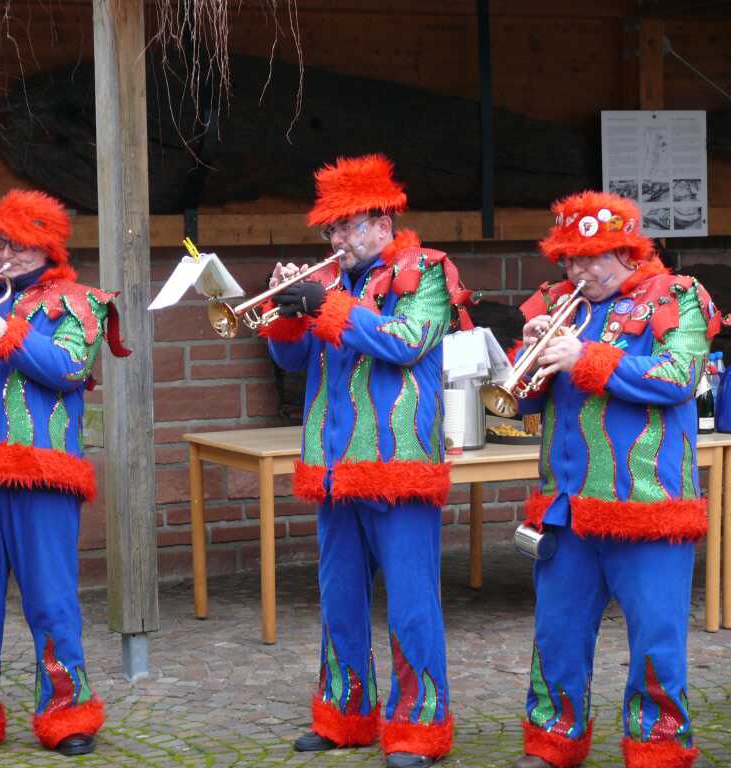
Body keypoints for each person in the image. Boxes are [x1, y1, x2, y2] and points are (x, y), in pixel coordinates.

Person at [262, 154, 472, 768]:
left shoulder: (427, 270)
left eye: (347, 227)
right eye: (330, 229)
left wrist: (323, 306)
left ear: (383, 223)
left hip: (398, 465)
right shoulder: (333, 280)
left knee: (411, 601)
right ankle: (345, 715)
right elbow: (291, 364)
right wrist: (288, 312)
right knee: (339, 598)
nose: (337, 240)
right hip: (334, 467)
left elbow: (405, 343)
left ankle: (418, 727)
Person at [509, 191, 727, 768]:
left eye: (590, 257)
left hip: (648, 502)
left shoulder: (678, 295)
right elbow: (520, 405)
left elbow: (678, 377)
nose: (576, 270)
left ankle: (657, 748)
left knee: (656, 636)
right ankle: (553, 740)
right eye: (569, 258)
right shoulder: (557, 301)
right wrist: (529, 356)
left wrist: (585, 358)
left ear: (628, 252)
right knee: (556, 632)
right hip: (568, 505)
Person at [0, 189, 129, 756]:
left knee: (50, 600)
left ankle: (67, 715)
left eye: (19, 245)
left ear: (48, 247)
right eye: (1, 244)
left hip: (41, 475)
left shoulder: (80, 302)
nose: (6, 254)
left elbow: (68, 367)